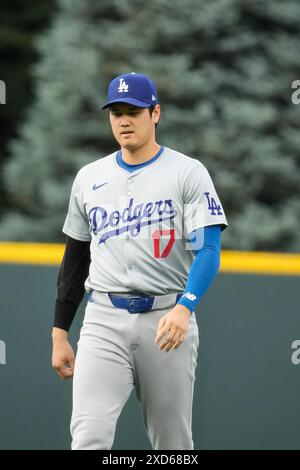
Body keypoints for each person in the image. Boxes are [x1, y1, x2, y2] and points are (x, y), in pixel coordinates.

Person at [51, 72, 228, 450]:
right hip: (102, 319)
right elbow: (75, 258)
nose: (124, 120)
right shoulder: (89, 178)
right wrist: (59, 331)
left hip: (165, 320)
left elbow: (208, 251)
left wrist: (186, 307)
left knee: (172, 444)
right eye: (116, 112)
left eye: (134, 110)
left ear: (156, 113)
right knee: (88, 438)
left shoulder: (187, 173)